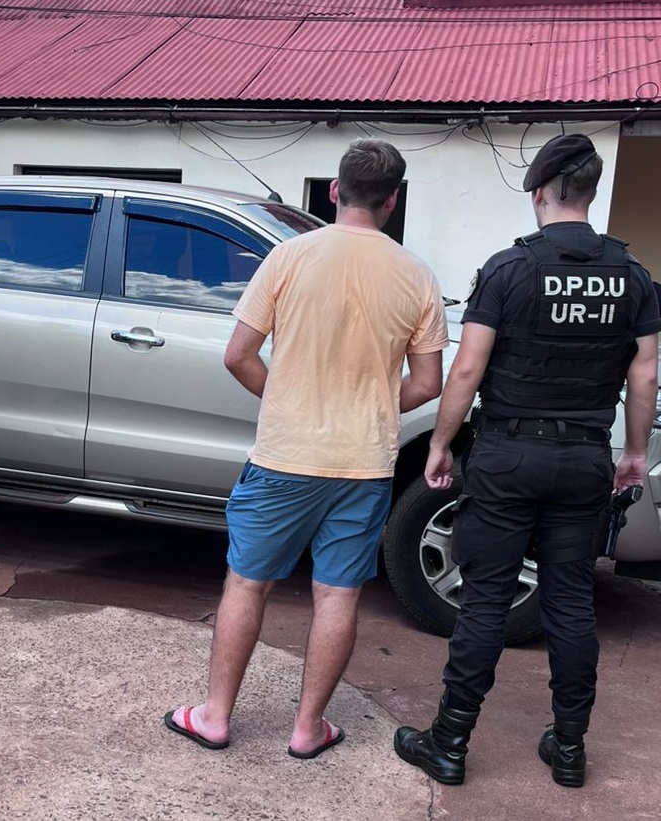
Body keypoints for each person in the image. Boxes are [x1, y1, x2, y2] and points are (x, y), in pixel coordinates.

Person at [164, 139, 448, 758]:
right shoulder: (416, 274)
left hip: (283, 456)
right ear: (392, 201)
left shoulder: (288, 257)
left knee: (247, 584)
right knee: (337, 594)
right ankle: (307, 729)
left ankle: (214, 717)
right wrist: (367, 404)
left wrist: (287, 397)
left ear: (332, 191)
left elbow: (237, 355)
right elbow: (427, 384)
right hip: (364, 463)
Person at [393, 134, 661, 787]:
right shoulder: (631, 277)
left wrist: (437, 444)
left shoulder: (507, 270)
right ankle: (568, 749)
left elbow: (465, 369)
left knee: (484, 597)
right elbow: (644, 374)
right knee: (569, 600)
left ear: (539, 193)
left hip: (508, 453)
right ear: (590, 194)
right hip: (581, 458)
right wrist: (632, 452)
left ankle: (449, 742)